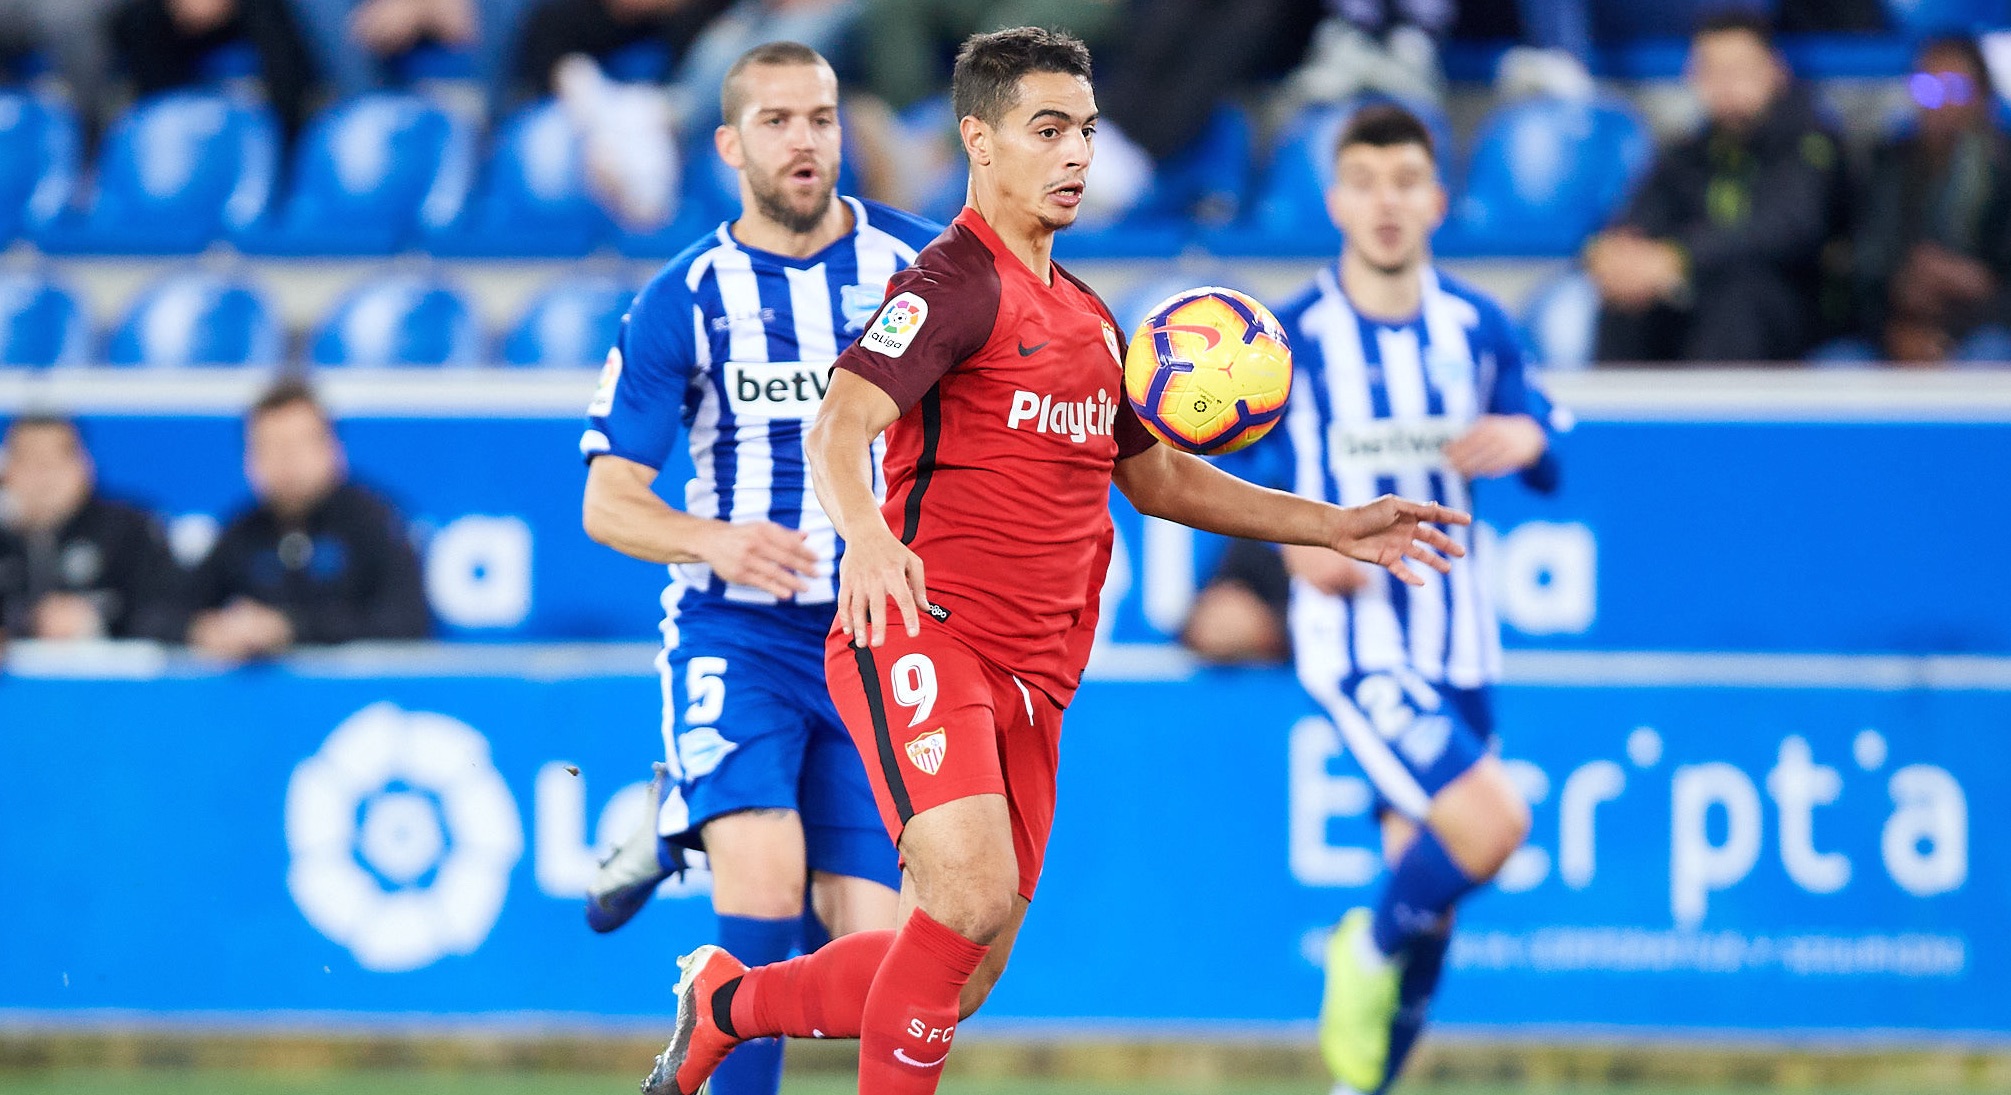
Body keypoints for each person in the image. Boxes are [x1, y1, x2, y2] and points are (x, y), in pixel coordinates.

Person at [640, 27, 1467, 1095]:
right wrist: (873, 539)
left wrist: (1332, 523)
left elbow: (1156, 477)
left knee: (958, 972)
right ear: (979, 142)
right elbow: (838, 426)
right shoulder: (950, 284)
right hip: (926, 638)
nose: (1075, 153)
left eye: (1085, 129)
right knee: (966, 904)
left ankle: (726, 1004)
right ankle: (737, 1010)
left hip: (1036, 680)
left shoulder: (1085, 316)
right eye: (1047, 130)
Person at [577, 40, 941, 1095]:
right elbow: (607, 501)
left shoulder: (919, 274)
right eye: (777, 121)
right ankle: (698, 817)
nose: (804, 140)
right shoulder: (681, 298)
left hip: (871, 640)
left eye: (820, 119)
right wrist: (714, 538)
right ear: (731, 144)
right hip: (738, 631)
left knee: (877, 962)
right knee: (766, 891)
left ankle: (665, 819)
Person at [1273, 103, 1564, 1095]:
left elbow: (1537, 420)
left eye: (1405, 181)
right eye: (1365, 180)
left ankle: (1363, 1087)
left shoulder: (1474, 323)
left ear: (1437, 201)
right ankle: (1358, 951)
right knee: (1493, 825)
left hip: (1459, 639)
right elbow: (1248, 482)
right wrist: (1291, 550)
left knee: (1431, 892)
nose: (1386, 202)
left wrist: (1526, 438)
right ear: (1334, 201)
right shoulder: (1294, 338)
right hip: (1357, 638)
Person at [1586, 11, 1844, 364]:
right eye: (1712, 71)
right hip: (1699, 301)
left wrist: (1678, 259)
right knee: (1626, 303)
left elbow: (1786, 228)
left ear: (1774, 70)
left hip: (1799, 306)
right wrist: (1614, 252)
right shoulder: (1688, 151)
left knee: (1741, 297)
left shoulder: (1810, 142)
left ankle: (1726, 419)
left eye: (1738, 70)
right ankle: (1618, 416)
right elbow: (1641, 212)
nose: (1726, 85)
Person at [184, 380, 430, 659]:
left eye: (297, 445)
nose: (286, 462)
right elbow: (169, 610)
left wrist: (291, 629)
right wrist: (204, 630)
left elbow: (406, 623)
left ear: (333, 449)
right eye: (270, 448)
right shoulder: (242, 532)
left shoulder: (375, 522)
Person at [1847, 37, 2011, 365]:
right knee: (1839, 364)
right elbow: (1860, 274)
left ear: (1983, 96)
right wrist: (1894, 327)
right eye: (1927, 88)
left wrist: (1974, 284)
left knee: (1988, 357)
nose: (1942, 103)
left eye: (1957, 88)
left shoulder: (2004, 169)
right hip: (1893, 331)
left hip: (1985, 327)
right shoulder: (1886, 165)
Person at [0, 414, 185, 642]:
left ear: (85, 464)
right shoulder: (6, 539)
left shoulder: (130, 530)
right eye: (30, 461)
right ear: (7, 471)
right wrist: (29, 621)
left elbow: (172, 611)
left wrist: (97, 619)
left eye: (57, 459)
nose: (44, 476)